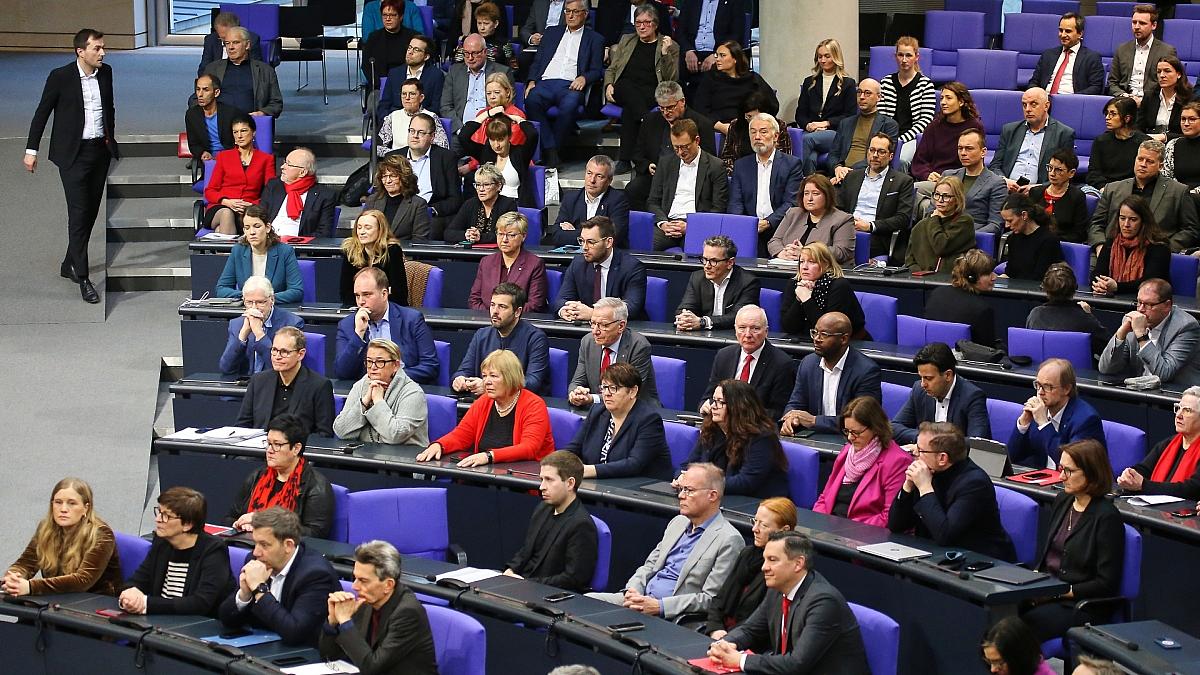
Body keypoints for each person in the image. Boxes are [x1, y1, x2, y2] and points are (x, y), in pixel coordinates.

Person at [24, 28, 120, 304]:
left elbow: (109, 108)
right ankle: (83, 277)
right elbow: (42, 113)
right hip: (73, 154)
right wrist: (31, 150)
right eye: (97, 48)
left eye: (103, 47)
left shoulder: (106, 73)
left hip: (99, 152)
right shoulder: (60, 77)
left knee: (90, 212)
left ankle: (69, 262)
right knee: (78, 214)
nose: (103, 53)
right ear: (80, 51)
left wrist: (110, 140)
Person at [587, 463, 744, 620]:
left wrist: (659, 606)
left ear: (712, 496)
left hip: (671, 616)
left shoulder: (728, 539)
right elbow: (649, 566)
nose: (681, 496)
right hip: (640, 600)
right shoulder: (678, 522)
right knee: (584, 602)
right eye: (681, 489)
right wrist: (632, 591)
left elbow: (710, 599)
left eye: (689, 490)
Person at [706, 531, 871, 674]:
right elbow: (750, 630)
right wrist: (724, 644)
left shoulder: (823, 602)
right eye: (765, 560)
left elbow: (797, 664)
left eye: (772, 560)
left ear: (798, 563)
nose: (764, 567)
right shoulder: (777, 590)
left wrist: (740, 660)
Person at [1021, 440, 1125, 643]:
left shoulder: (1107, 517)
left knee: (1018, 632)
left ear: (1091, 473)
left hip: (1080, 605)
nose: (1061, 477)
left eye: (1068, 471)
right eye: (1061, 469)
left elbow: (1106, 584)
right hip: (1047, 591)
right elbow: (1048, 557)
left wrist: (1056, 593)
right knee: (1000, 615)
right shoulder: (1063, 500)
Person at [888, 422, 1018, 562]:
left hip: (980, 562)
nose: (914, 454)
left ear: (942, 458)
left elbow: (945, 535)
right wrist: (907, 486)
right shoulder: (929, 473)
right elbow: (896, 526)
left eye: (920, 450)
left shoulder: (974, 483)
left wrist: (925, 488)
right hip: (935, 555)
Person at [219, 507, 339, 646]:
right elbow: (226, 619)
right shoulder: (256, 561)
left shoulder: (315, 575)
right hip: (262, 646)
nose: (256, 552)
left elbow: (294, 633)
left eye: (264, 545)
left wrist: (259, 590)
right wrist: (244, 595)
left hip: (303, 653)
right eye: (255, 543)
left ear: (288, 545)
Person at [417, 349, 556, 467]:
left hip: (526, 477)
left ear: (511, 377)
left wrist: (489, 456)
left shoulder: (534, 405)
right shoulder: (484, 401)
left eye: (493, 376)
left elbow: (529, 448)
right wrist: (440, 445)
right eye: (484, 376)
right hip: (488, 475)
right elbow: (461, 436)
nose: (487, 381)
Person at [319, 540, 438, 674]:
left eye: (363, 580)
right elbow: (329, 656)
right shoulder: (367, 601)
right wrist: (333, 623)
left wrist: (346, 621)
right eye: (355, 578)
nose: (355, 586)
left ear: (388, 585)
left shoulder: (407, 613)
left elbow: (372, 668)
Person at [118, 487, 233, 617]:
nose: (158, 519)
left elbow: (200, 603)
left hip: (197, 623)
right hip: (162, 620)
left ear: (187, 524)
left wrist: (146, 604)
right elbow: (137, 580)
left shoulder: (213, 550)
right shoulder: (161, 543)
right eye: (159, 512)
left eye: (166, 516)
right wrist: (131, 594)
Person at [4, 477, 121, 597]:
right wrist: (14, 577)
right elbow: (25, 564)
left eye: (72, 503)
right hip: (57, 597)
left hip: (94, 600)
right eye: (58, 502)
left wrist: (30, 587)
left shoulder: (101, 534)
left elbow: (83, 580)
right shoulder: (45, 528)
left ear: (86, 508)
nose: (63, 509)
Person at [524, 0, 605, 168]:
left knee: (570, 104)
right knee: (531, 100)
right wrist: (531, 80)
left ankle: (551, 151)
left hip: (570, 85)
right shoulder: (551, 33)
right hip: (546, 82)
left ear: (585, 14)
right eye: (567, 11)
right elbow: (537, 62)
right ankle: (552, 151)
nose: (570, 15)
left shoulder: (595, 39)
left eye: (575, 11)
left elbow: (597, 70)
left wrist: (584, 78)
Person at [502, 451, 599, 591]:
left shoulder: (581, 524)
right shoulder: (543, 508)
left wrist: (526, 583)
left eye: (549, 479)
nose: (541, 486)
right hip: (523, 584)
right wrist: (511, 570)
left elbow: (573, 579)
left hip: (546, 593)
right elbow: (526, 550)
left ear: (570, 483)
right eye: (541, 479)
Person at [226, 413, 335, 537]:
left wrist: (262, 523)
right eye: (268, 443)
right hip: (249, 542)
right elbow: (230, 518)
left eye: (277, 445)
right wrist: (240, 525)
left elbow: (315, 534)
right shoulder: (257, 477)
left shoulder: (316, 486)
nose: (269, 450)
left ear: (296, 448)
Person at [703, 498, 797, 639]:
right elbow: (720, 599)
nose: (754, 529)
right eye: (755, 521)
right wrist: (715, 628)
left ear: (784, 530)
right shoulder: (747, 554)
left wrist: (728, 638)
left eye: (763, 525)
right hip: (720, 633)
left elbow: (762, 621)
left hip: (747, 640)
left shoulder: (784, 569)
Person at [1087, 139, 1200, 253]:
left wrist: (1164, 250)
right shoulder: (1112, 189)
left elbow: (1190, 229)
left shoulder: (1178, 192)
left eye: (1149, 161)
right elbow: (1096, 224)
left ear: (1160, 166)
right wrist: (1100, 246)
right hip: (1113, 251)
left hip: (1155, 254)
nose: (1143, 165)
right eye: (1140, 159)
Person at [780, 311, 883, 436]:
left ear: (843, 339)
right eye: (815, 332)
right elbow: (795, 403)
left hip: (849, 439)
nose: (816, 339)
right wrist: (791, 418)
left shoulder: (866, 371)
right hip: (813, 437)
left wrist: (814, 421)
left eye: (824, 335)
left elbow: (862, 419)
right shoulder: (808, 363)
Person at [562, 363, 671, 480]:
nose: (607, 393)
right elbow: (573, 448)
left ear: (633, 391)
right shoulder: (597, 411)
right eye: (604, 387)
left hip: (635, 486)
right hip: (600, 483)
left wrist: (586, 470)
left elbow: (634, 464)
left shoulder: (649, 420)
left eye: (614, 388)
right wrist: (557, 463)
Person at [813, 396, 910, 526]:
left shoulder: (897, 462)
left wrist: (848, 529)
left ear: (875, 428)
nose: (850, 437)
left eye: (856, 432)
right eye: (847, 431)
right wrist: (818, 523)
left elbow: (888, 517)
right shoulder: (847, 451)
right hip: (830, 527)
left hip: (863, 532)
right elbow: (824, 498)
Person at [604, 5, 678, 174]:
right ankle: (647, 119)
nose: (642, 27)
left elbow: (671, 80)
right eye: (638, 23)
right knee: (626, 86)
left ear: (656, 24)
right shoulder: (626, 40)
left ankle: (624, 159)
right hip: (623, 88)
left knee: (630, 109)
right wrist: (608, 84)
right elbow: (612, 69)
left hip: (651, 91)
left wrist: (665, 54)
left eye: (647, 22)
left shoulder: (670, 45)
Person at [335, 267, 439, 383]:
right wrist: (358, 335)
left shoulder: (411, 320)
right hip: (367, 390)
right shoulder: (347, 325)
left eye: (366, 294)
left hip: (403, 388)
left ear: (384, 294)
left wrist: (391, 376)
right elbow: (342, 372)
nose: (361, 302)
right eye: (357, 296)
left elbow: (430, 366)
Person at [688, 379, 789, 498]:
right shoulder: (711, 430)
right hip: (718, 495)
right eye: (713, 401)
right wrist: (683, 477)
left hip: (760, 502)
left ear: (737, 406)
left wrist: (701, 483)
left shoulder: (762, 437)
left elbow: (746, 482)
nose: (713, 406)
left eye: (720, 402)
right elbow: (688, 464)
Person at [627, 81, 718, 211]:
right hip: (656, 177)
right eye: (661, 108)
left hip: (689, 177)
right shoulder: (650, 121)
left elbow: (709, 159)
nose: (665, 112)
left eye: (670, 107)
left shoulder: (702, 124)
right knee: (633, 190)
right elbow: (638, 154)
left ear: (682, 102)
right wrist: (647, 165)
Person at [700, 305, 795, 421]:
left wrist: (737, 413)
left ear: (766, 331)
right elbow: (708, 397)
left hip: (756, 428)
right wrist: (706, 406)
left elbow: (778, 413)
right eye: (742, 328)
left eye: (755, 328)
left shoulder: (782, 364)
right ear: (735, 330)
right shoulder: (724, 356)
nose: (748, 334)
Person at [452, 283, 550, 395]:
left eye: (502, 307)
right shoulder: (481, 335)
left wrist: (490, 385)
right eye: (492, 305)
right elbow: (464, 371)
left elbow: (532, 382)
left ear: (517, 312)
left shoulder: (536, 338)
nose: (495, 311)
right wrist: (460, 380)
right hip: (485, 401)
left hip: (521, 403)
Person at [1007, 358, 1105, 469]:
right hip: (1043, 477)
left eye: (1047, 387)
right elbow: (1011, 458)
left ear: (1066, 389)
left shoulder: (1086, 420)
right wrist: (1023, 423)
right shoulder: (1037, 412)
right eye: (1038, 385)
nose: (1040, 392)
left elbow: (1071, 465)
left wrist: (1044, 424)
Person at [728, 113, 804, 256]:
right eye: (753, 132)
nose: (757, 137)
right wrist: (742, 225)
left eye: (763, 132)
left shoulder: (791, 164)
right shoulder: (741, 165)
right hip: (749, 229)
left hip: (780, 228)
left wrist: (768, 222)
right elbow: (735, 203)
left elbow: (791, 203)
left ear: (775, 136)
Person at [1100, 277, 1200, 386]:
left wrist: (1141, 335)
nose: (1140, 309)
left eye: (1148, 304)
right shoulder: (1132, 320)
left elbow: (1164, 374)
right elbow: (1106, 369)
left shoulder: (1186, 327)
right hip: (1139, 391)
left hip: (1175, 392)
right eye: (1139, 302)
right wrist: (1120, 335)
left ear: (1167, 305)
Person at [648, 118, 729, 251]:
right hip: (669, 223)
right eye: (676, 147)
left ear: (697, 140)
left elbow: (718, 208)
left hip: (697, 225)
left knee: (698, 250)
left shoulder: (716, 166)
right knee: (645, 245)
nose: (680, 152)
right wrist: (663, 223)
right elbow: (653, 201)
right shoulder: (665, 163)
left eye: (685, 147)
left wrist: (691, 226)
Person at [237, 328, 335, 437]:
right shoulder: (258, 381)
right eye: (274, 350)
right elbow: (242, 425)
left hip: (297, 446)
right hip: (259, 445)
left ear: (300, 354)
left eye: (284, 352)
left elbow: (324, 434)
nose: (277, 357)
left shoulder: (320, 386)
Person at [334, 338, 430, 446]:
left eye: (380, 362)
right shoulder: (360, 386)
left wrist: (378, 401)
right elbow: (340, 430)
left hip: (403, 455)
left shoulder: (413, 393)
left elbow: (396, 435)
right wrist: (364, 402)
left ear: (395, 365)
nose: (373, 367)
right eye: (369, 361)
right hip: (365, 453)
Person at [892, 342, 991, 446]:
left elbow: (977, 443)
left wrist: (937, 442)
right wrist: (923, 438)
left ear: (948, 375)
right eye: (921, 377)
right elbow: (895, 427)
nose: (923, 384)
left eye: (928, 378)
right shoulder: (919, 390)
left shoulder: (972, 396)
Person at [568, 297, 660, 408]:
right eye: (593, 323)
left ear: (621, 326)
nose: (595, 331)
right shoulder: (588, 342)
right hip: (600, 410)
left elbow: (627, 392)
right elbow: (577, 382)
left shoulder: (638, 346)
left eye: (603, 325)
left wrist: (592, 398)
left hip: (636, 411)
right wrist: (576, 393)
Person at [384, 112, 462, 240]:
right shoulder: (393, 157)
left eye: (421, 133)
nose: (415, 136)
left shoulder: (446, 158)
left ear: (432, 137)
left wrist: (431, 210)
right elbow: (381, 193)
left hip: (428, 215)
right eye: (412, 131)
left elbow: (455, 199)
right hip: (397, 211)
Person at [839, 132, 915, 262]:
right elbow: (838, 207)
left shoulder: (903, 181)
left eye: (881, 152)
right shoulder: (852, 176)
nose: (875, 155)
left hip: (876, 235)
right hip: (847, 229)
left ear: (891, 156)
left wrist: (870, 226)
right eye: (872, 150)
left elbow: (903, 218)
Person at [556, 216, 648, 320]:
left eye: (591, 242)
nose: (584, 247)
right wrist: (565, 310)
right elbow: (561, 299)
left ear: (608, 242)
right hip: (587, 327)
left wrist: (593, 314)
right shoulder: (578, 264)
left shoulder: (632, 267)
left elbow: (631, 308)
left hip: (620, 327)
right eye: (582, 241)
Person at [919, 128, 1007, 235]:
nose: (963, 153)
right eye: (960, 148)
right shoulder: (948, 175)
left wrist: (964, 236)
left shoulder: (996, 183)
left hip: (972, 238)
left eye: (969, 148)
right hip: (939, 234)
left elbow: (995, 224)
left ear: (983, 152)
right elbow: (931, 212)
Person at [1118, 386, 1200, 499]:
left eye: (1187, 410)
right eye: (1178, 408)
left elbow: (1191, 489)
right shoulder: (1168, 443)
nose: (1178, 415)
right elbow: (1144, 469)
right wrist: (1130, 475)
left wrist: (1144, 485)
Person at [990, 88, 1076, 191]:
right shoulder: (1009, 130)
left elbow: (1064, 173)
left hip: (1041, 192)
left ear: (1046, 106)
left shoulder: (1063, 133)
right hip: (1006, 189)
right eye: (1024, 105)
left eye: (1033, 104)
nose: (1027, 109)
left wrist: (1038, 188)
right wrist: (1004, 181)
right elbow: (995, 165)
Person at [795, 39, 859, 178]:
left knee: (806, 140)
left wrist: (826, 123)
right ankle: (810, 186)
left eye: (827, 56)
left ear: (836, 57)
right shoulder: (809, 82)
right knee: (811, 158)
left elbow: (850, 116)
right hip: (811, 132)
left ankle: (794, 180)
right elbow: (800, 113)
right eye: (820, 56)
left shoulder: (848, 84)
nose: (823, 60)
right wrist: (809, 125)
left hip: (835, 133)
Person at [203, 113, 275, 234]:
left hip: (249, 209)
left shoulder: (266, 159)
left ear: (253, 132)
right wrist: (227, 202)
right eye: (235, 132)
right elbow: (210, 191)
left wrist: (251, 204)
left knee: (223, 228)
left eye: (243, 131)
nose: (239, 136)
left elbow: (271, 192)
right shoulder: (224, 157)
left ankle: (222, 239)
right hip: (221, 207)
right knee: (227, 214)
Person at [214, 207, 304, 304]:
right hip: (247, 309)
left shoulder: (285, 251)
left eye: (257, 226)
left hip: (274, 309)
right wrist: (248, 296)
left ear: (267, 228)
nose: (252, 232)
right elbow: (221, 289)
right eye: (247, 228)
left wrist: (266, 299)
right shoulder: (238, 251)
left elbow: (296, 291)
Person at [218, 276, 305, 377]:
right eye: (249, 302)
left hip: (276, 383)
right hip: (247, 383)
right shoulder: (237, 324)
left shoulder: (292, 323)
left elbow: (282, 368)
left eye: (260, 302)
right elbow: (226, 368)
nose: (254, 308)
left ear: (272, 300)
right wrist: (242, 336)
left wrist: (259, 334)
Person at [779, 241, 867, 340]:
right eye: (802, 261)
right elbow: (788, 327)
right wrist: (798, 300)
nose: (804, 267)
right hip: (806, 340)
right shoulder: (795, 284)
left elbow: (828, 331)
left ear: (826, 264)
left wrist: (806, 299)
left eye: (812, 262)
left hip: (845, 343)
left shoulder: (839, 286)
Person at [692, 40, 778, 139]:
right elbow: (700, 109)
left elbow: (773, 104)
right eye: (716, 55)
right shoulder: (710, 79)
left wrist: (757, 120)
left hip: (750, 127)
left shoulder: (753, 79)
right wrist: (721, 126)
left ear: (735, 59)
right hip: (720, 127)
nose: (717, 59)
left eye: (722, 55)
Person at [675, 235, 761, 331]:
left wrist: (703, 322)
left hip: (733, 335)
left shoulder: (748, 282)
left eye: (713, 261)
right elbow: (685, 308)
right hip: (702, 335)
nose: (707, 266)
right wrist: (684, 319)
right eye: (705, 259)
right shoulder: (697, 278)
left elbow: (739, 317)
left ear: (730, 263)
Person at [470, 211, 549, 313]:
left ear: (523, 236)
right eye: (500, 234)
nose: (504, 240)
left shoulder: (534, 264)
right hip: (487, 319)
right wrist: (493, 315)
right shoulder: (486, 262)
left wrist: (506, 315)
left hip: (519, 320)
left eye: (511, 235)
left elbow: (535, 304)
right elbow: (474, 300)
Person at [1092, 195, 1172, 296]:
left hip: (1145, 300)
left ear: (1144, 221)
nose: (1126, 224)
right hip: (1110, 297)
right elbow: (1097, 273)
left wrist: (1117, 287)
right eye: (1122, 218)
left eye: (1133, 219)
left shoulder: (1159, 247)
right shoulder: (1112, 242)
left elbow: (1150, 283)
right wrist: (1100, 285)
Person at [1027, 262, 1111, 355]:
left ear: (1045, 289)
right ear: (1075, 288)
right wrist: (1088, 315)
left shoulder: (1035, 315)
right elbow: (1109, 349)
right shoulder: (1084, 319)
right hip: (1076, 365)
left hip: (1042, 364)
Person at [768, 174, 855, 263]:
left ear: (827, 196)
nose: (809, 198)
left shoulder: (843, 220)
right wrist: (782, 253)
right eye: (806, 193)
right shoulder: (793, 213)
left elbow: (842, 252)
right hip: (787, 267)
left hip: (825, 269)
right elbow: (774, 241)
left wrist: (806, 253)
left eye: (815, 193)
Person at [827, 78, 900, 183]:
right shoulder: (845, 123)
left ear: (879, 97)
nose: (861, 97)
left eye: (867, 93)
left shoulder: (889, 125)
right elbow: (833, 154)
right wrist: (837, 168)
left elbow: (881, 158)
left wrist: (849, 173)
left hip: (869, 177)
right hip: (840, 175)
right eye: (859, 92)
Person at [877, 36, 937, 166]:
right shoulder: (886, 82)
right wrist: (888, 139)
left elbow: (926, 120)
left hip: (913, 138)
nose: (904, 60)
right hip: (887, 136)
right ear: (895, 56)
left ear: (917, 57)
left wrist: (900, 140)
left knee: (901, 160)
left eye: (908, 55)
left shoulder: (925, 84)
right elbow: (881, 117)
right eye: (900, 55)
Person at [440, 33, 514, 135]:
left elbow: (508, 105)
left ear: (485, 52)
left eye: (475, 53)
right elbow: (445, 106)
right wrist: (460, 130)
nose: (470, 58)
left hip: (491, 133)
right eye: (466, 53)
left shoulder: (502, 72)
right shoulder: (454, 71)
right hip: (460, 132)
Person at [925, 249, 1001, 348]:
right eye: (988, 274)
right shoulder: (982, 309)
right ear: (971, 277)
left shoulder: (937, 293)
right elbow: (987, 350)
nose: (994, 277)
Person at [550, 154, 631, 247]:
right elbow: (557, 235)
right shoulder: (571, 198)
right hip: (574, 255)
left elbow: (613, 236)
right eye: (589, 173)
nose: (592, 180)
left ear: (609, 180)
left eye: (599, 176)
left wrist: (577, 233)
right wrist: (594, 235)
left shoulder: (618, 200)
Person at [910, 81, 984, 182]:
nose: (943, 102)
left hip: (963, 180)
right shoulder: (934, 127)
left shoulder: (975, 126)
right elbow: (920, 161)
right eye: (941, 98)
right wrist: (927, 174)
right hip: (937, 180)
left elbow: (977, 160)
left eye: (948, 98)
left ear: (961, 102)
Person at [202, 26, 283, 118]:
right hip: (219, 121)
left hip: (250, 122)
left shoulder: (265, 71)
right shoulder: (213, 69)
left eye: (236, 42)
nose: (230, 47)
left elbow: (276, 103)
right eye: (227, 43)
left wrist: (262, 113)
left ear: (247, 45)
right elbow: (197, 98)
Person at [459, 115, 538, 207]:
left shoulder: (520, 154)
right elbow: (463, 137)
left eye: (500, 139)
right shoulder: (485, 153)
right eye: (492, 140)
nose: (496, 145)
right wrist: (487, 114)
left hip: (514, 207)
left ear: (509, 136)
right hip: (488, 206)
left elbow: (533, 135)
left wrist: (518, 119)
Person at [259, 148, 337, 238]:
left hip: (298, 244)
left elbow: (323, 233)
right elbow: (260, 216)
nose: (282, 167)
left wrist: (299, 241)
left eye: (289, 164)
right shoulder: (274, 186)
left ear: (302, 172)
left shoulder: (324, 196)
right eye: (284, 162)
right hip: (268, 240)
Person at [339, 209, 409, 307]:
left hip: (388, 307)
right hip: (357, 307)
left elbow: (399, 293)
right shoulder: (351, 250)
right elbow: (346, 292)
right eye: (359, 228)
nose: (362, 232)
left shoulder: (392, 251)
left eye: (367, 228)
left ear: (380, 230)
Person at [1108, 4, 1177, 103]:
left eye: (1142, 23)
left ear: (1154, 25)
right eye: (1134, 22)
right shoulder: (1122, 49)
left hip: (1152, 102)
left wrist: (1144, 101)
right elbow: (1112, 82)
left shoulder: (1167, 51)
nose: (1136, 27)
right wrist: (1123, 96)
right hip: (1124, 101)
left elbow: (1168, 83)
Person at [906, 175, 976, 271]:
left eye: (946, 196)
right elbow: (909, 261)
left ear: (957, 199)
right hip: (921, 277)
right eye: (937, 195)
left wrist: (934, 219)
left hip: (952, 277)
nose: (940, 200)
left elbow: (941, 246)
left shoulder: (964, 222)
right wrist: (920, 274)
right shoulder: (921, 225)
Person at [1028, 13, 1106, 95]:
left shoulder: (1092, 57)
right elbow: (1034, 82)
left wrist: (1073, 99)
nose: (1063, 35)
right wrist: (1038, 95)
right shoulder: (1048, 54)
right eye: (1061, 30)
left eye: (1068, 31)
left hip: (1072, 100)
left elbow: (1096, 87)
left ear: (1080, 34)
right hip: (1045, 98)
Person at [362, 153, 433, 243]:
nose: (388, 181)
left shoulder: (418, 204)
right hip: (374, 249)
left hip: (402, 250)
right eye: (384, 176)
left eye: (393, 176)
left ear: (404, 177)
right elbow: (363, 231)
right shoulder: (372, 200)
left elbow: (419, 239)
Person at [445, 162, 520, 244]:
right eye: (478, 185)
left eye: (486, 185)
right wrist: (467, 235)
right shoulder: (470, 204)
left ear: (498, 186)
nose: (481, 189)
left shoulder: (508, 205)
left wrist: (480, 237)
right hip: (473, 251)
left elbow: (509, 235)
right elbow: (449, 233)